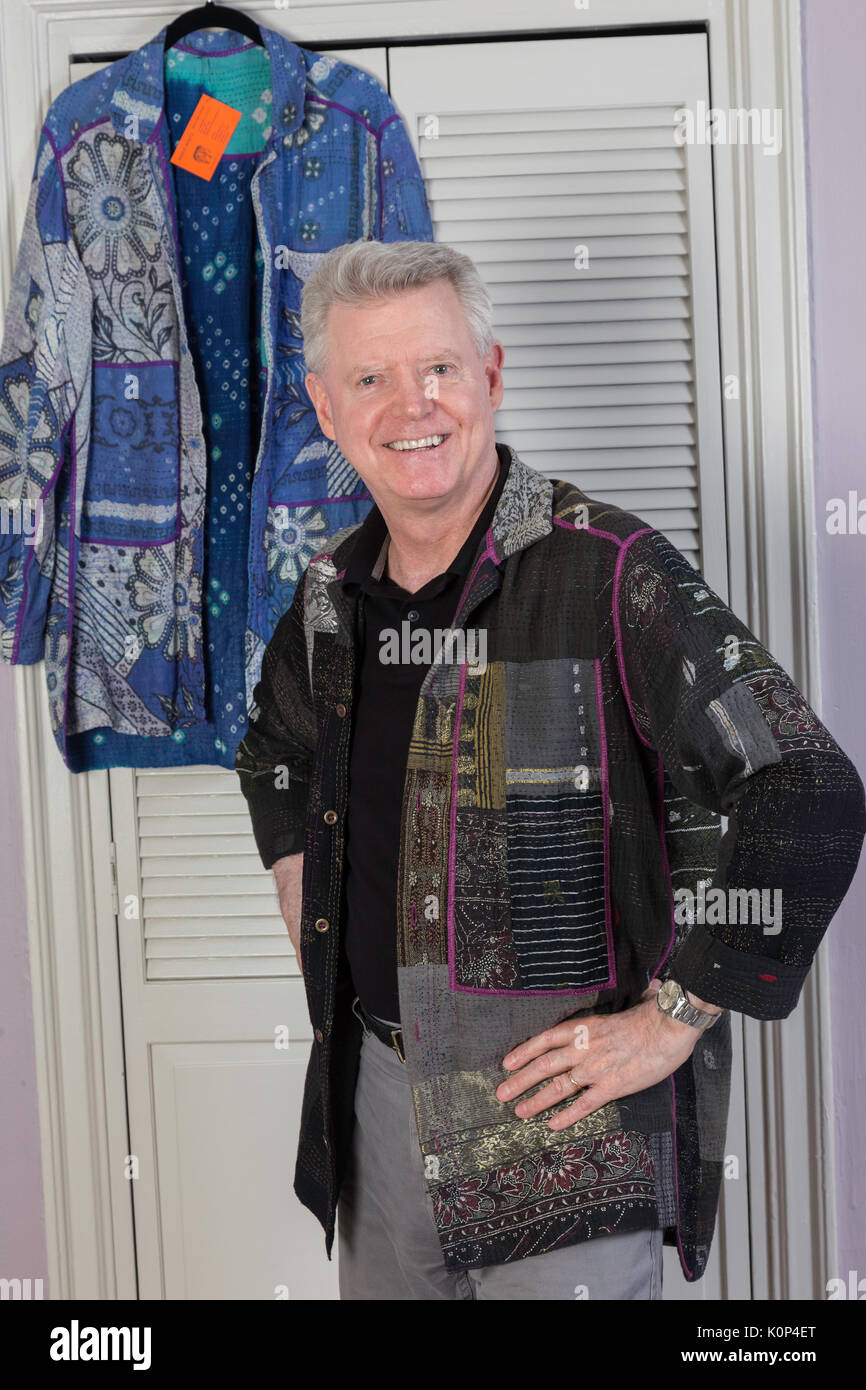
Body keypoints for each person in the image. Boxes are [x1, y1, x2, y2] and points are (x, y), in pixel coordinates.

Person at [235, 239, 865, 1301]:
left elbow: (803, 785)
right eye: (370, 379)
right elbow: (274, 755)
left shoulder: (611, 571)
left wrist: (672, 1018)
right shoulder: (327, 603)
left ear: (487, 373)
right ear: (326, 410)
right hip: (378, 1102)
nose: (410, 406)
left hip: (563, 1123)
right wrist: (314, 919)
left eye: (435, 368)